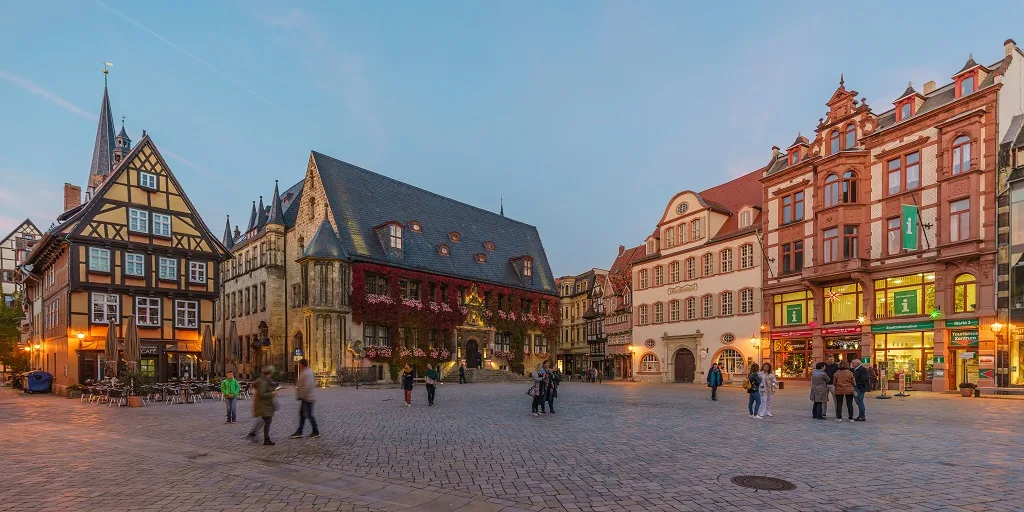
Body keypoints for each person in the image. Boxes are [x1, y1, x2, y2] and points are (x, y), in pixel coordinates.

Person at [246, 366, 278, 445]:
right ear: (270, 373)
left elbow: (270, 383)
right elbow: (262, 394)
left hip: (264, 404)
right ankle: (266, 439)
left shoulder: (264, 379)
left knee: (264, 420)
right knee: (267, 420)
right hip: (263, 404)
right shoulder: (264, 381)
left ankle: (253, 433)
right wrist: (272, 393)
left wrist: (273, 386)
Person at [290, 359, 320, 439]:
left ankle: (315, 431)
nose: (298, 366)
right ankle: (299, 431)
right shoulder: (307, 372)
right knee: (303, 415)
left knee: (309, 415)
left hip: (307, 397)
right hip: (306, 397)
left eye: (299, 364)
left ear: (302, 364)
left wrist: (302, 395)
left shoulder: (307, 373)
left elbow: (307, 386)